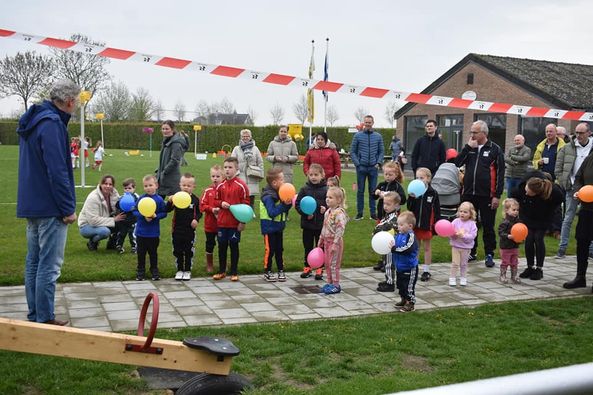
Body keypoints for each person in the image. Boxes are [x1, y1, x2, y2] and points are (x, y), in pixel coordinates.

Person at [17, 79, 80, 326]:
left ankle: (35, 314)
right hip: (50, 206)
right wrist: (67, 208)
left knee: (33, 261)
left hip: (32, 203)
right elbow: (57, 171)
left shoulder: (34, 121)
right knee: (49, 265)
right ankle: (44, 318)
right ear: (69, 101)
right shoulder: (52, 124)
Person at [455, 120, 505, 267]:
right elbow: (457, 163)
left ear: (484, 133)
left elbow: (501, 173)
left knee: (488, 225)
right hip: (469, 193)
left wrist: (497, 195)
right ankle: (472, 252)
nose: (472, 135)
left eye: (475, 132)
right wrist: (467, 148)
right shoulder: (470, 148)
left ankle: (489, 253)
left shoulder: (495, 149)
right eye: (471, 132)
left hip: (487, 195)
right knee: (470, 224)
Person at [510, 173, 563, 281]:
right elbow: (513, 195)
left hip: (544, 217)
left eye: (528, 191)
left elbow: (559, 199)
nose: (525, 191)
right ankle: (530, 267)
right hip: (528, 215)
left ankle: (539, 269)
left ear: (536, 193)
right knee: (529, 239)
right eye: (526, 188)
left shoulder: (552, 192)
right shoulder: (522, 187)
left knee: (538, 238)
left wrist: (552, 211)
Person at [554, 122, 593, 258]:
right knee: (568, 218)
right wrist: (564, 182)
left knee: (590, 218)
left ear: (589, 133)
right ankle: (562, 248)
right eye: (576, 132)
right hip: (572, 188)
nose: (578, 135)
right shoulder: (567, 148)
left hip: (590, 190)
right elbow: (558, 167)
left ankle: (590, 250)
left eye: (581, 133)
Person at [213, 157, 251, 281]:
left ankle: (234, 272)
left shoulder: (242, 186)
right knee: (221, 247)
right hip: (222, 223)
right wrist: (221, 203)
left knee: (234, 246)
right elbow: (216, 201)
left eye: (230, 167)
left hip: (235, 224)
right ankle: (221, 271)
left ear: (236, 169)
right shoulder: (220, 186)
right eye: (225, 167)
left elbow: (246, 205)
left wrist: (242, 222)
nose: (227, 170)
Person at [563, 149, 593, 290]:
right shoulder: (589, 159)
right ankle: (580, 277)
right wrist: (578, 190)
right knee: (582, 241)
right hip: (586, 210)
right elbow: (579, 178)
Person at [166, 173, 201, 281]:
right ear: (180, 185)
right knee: (178, 250)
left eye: (189, 186)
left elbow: (199, 212)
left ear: (193, 187)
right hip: (177, 229)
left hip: (189, 231)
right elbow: (168, 209)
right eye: (184, 185)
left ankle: (187, 270)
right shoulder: (177, 198)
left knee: (188, 250)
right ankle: (180, 269)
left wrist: (196, 220)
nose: (186, 187)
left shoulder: (195, 200)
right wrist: (170, 201)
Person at [407, 167, 440, 282]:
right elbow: (409, 208)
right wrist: (411, 198)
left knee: (427, 247)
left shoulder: (433, 193)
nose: (419, 180)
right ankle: (414, 267)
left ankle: (426, 270)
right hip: (415, 224)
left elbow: (437, 210)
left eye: (422, 177)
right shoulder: (414, 191)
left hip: (427, 224)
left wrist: (436, 224)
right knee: (415, 247)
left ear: (428, 178)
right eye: (417, 177)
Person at [295, 163, 328, 280]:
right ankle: (307, 266)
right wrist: (305, 213)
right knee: (307, 246)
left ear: (322, 175)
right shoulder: (304, 189)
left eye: (316, 175)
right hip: (307, 225)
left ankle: (320, 267)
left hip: (320, 225)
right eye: (311, 175)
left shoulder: (326, 189)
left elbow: (331, 203)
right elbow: (298, 204)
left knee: (320, 247)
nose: (313, 177)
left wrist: (326, 208)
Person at [78, 175, 127, 251]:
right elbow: (93, 221)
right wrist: (113, 220)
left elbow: (117, 207)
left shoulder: (114, 193)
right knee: (105, 232)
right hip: (87, 226)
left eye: (110, 184)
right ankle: (93, 242)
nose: (108, 186)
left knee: (123, 221)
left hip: (104, 221)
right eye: (105, 184)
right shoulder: (93, 198)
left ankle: (112, 243)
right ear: (100, 184)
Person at [260, 168, 293, 282]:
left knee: (280, 249)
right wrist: (284, 205)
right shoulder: (268, 196)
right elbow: (272, 212)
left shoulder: (280, 193)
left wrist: (288, 203)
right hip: (269, 228)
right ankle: (267, 271)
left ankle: (281, 270)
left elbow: (284, 208)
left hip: (278, 227)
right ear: (274, 183)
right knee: (270, 250)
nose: (284, 182)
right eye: (282, 179)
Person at [350, 115, 384, 220]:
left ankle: (373, 213)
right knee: (360, 191)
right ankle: (360, 213)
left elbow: (381, 151)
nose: (368, 124)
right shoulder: (357, 136)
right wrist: (358, 164)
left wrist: (378, 163)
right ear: (364, 123)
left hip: (373, 167)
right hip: (361, 167)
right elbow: (352, 151)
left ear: (373, 123)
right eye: (366, 122)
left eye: (369, 122)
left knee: (373, 191)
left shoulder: (378, 136)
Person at [133, 175, 167, 281]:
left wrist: (156, 216)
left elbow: (164, 213)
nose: (148, 188)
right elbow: (134, 211)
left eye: (150, 185)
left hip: (153, 233)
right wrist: (143, 215)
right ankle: (140, 271)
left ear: (156, 185)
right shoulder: (141, 199)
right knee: (141, 253)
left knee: (153, 253)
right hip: (141, 233)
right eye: (145, 186)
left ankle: (154, 270)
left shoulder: (159, 199)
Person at [318, 186, 348, 295]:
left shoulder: (339, 213)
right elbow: (324, 226)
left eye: (330, 197)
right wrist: (321, 239)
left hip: (335, 242)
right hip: (326, 241)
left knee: (333, 264)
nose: (327, 199)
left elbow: (340, 229)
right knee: (327, 263)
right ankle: (329, 282)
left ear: (338, 200)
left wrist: (335, 243)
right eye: (327, 197)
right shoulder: (328, 212)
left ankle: (336, 285)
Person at [390, 211, 419, 313]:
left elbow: (408, 249)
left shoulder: (410, 236)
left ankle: (410, 303)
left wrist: (395, 249)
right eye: (398, 224)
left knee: (408, 286)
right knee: (400, 285)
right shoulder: (399, 235)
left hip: (409, 267)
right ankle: (404, 299)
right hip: (400, 266)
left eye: (401, 225)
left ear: (410, 226)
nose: (399, 227)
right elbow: (393, 244)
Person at [374, 192, 401, 291]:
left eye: (388, 204)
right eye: (384, 203)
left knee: (389, 264)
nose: (385, 206)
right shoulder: (388, 215)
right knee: (386, 263)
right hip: (385, 244)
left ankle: (390, 284)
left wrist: (378, 229)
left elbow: (389, 227)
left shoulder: (394, 217)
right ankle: (388, 280)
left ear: (396, 206)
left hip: (390, 245)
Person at [230, 129, 264, 207]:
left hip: (252, 176)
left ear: (250, 137)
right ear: (241, 137)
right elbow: (232, 162)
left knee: (251, 197)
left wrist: (260, 174)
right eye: (243, 136)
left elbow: (260, 162)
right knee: (240, 196)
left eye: (247, 136)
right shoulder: (236, 149)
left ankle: (251, 212)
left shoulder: (255, 149)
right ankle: (240, 212)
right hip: (239, 176)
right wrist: (234, 174)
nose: (245, 138)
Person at [200, 165, 223, 273]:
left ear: (222, 177)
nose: (215, 178)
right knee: (210, 244)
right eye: (213, 176)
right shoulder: (208, 191)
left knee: (222, 243)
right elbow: (202, 206)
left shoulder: (224, 190)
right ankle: (209, 264)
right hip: (210, 225)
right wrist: (212, 209)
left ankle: (222, 264)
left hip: (222, 224)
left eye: (218, 176)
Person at [156, 120, 188, 198]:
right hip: (163, 176)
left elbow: (175, 160)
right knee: (158, 201)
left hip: (171, 178)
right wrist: (158, 170)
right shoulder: (166, 141)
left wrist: (164, 171)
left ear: (172, 129)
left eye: (167, 129)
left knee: (177, 202)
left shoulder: (176, 143)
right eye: (163, 129)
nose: (164, 131)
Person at [448, 202, 478, 286]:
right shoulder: (455, 222)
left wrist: (463, 236)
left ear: (470, 214)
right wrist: (453, 235)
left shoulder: (472, 224)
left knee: (464, 264)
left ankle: (463, 277)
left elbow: (472, 236)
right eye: (461, 211)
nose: (462, 213)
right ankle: (452, 277)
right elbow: (450, 233)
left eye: (465, 212)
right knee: (455, 263)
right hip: (456, 246)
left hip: (466, 248)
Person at [432, 148, 462, 220]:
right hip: (452, 197)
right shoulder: (457, 170)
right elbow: (460, 182)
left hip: (438, 195)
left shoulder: (441, 167)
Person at [497, 198, 522, 284]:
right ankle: (502, 276)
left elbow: (521, 231)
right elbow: (500, 233)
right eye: (514, 209)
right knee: (505, 262)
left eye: (517, 210)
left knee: (514, 262)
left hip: (515, 246)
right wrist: (508, 236)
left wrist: (522, 237)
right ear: (507, 210)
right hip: (506, 247)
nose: (516, 211)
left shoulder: (518, 221)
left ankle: (514, 276)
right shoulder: (505, 222)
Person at [114, 178, 139, 254]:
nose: (127, 190)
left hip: (133, 219)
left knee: (132, 234)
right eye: (125, 188)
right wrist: (119, 205)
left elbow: (140, 206)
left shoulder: (136, 197)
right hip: (123, 220)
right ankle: (119, 246)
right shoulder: (122, 197)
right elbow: (117, 205)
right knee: (121, 233)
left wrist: (134, 207)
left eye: (130, 188)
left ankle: (134, 246)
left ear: (134, 188)